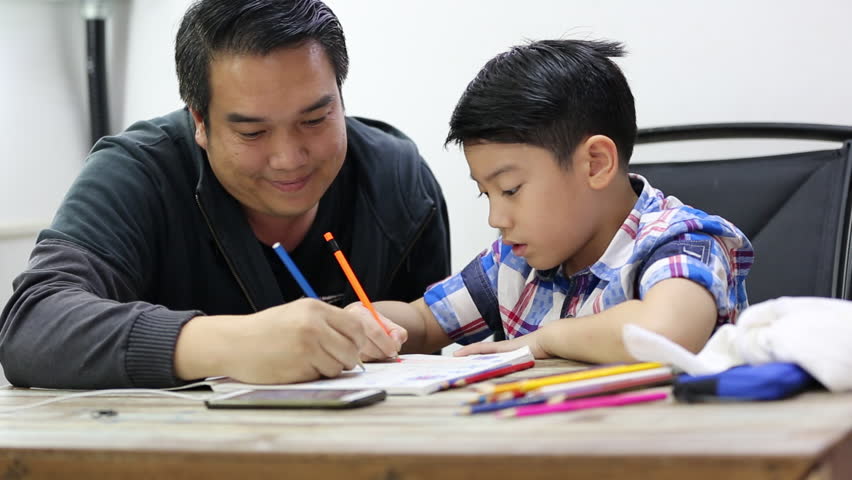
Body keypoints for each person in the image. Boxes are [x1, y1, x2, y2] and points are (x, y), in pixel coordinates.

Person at [0, 0, 450, 389]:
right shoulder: (140, 173)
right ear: (200, 121)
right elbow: (33, 326)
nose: (288, 158)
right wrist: (234, 344)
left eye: (314, 120)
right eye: (252, 132)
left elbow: (434, 364)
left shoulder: (397, 181)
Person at [350, 39, 753, 363]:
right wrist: (364, 323)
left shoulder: (682, 241)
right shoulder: (514, 263)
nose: (496, 218)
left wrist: (544, 340)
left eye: (510, 189)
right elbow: (423, 322)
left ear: (595, 164)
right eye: (486, 194)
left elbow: (667, 331)